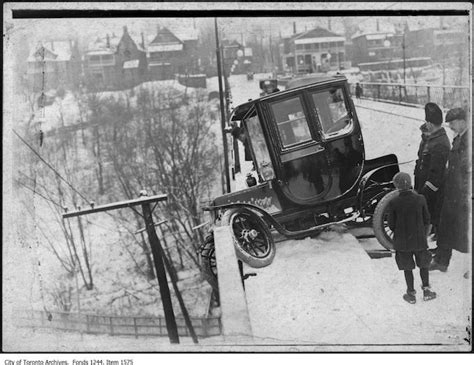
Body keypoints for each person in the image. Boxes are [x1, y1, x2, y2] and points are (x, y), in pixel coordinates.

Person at [429, 108, 470, 272]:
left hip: (463, 193)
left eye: (452, 123)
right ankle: (441, 261)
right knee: (445, 227)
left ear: (462, 121)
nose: (451, 127)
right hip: (452, 192)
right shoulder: (459, 137)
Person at [387, 172, 436, 304]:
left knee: (407, 268)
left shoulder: (393, 202)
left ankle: (411, 294)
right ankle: (426, 290)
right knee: (423, 265)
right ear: (410, 184)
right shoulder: (420, 199)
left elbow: (391, 224)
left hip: (402, 243)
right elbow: (427, 219)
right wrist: (421, 232)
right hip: (419, 240)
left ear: (397, 186)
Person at [414, 103, 450, 237]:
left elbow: (436, 173)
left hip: (431, 189)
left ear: (429, 123)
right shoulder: (432, 138)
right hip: (424, 184)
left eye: (426, 121)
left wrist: (425, 191)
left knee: (433, 215)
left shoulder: (440, 142)